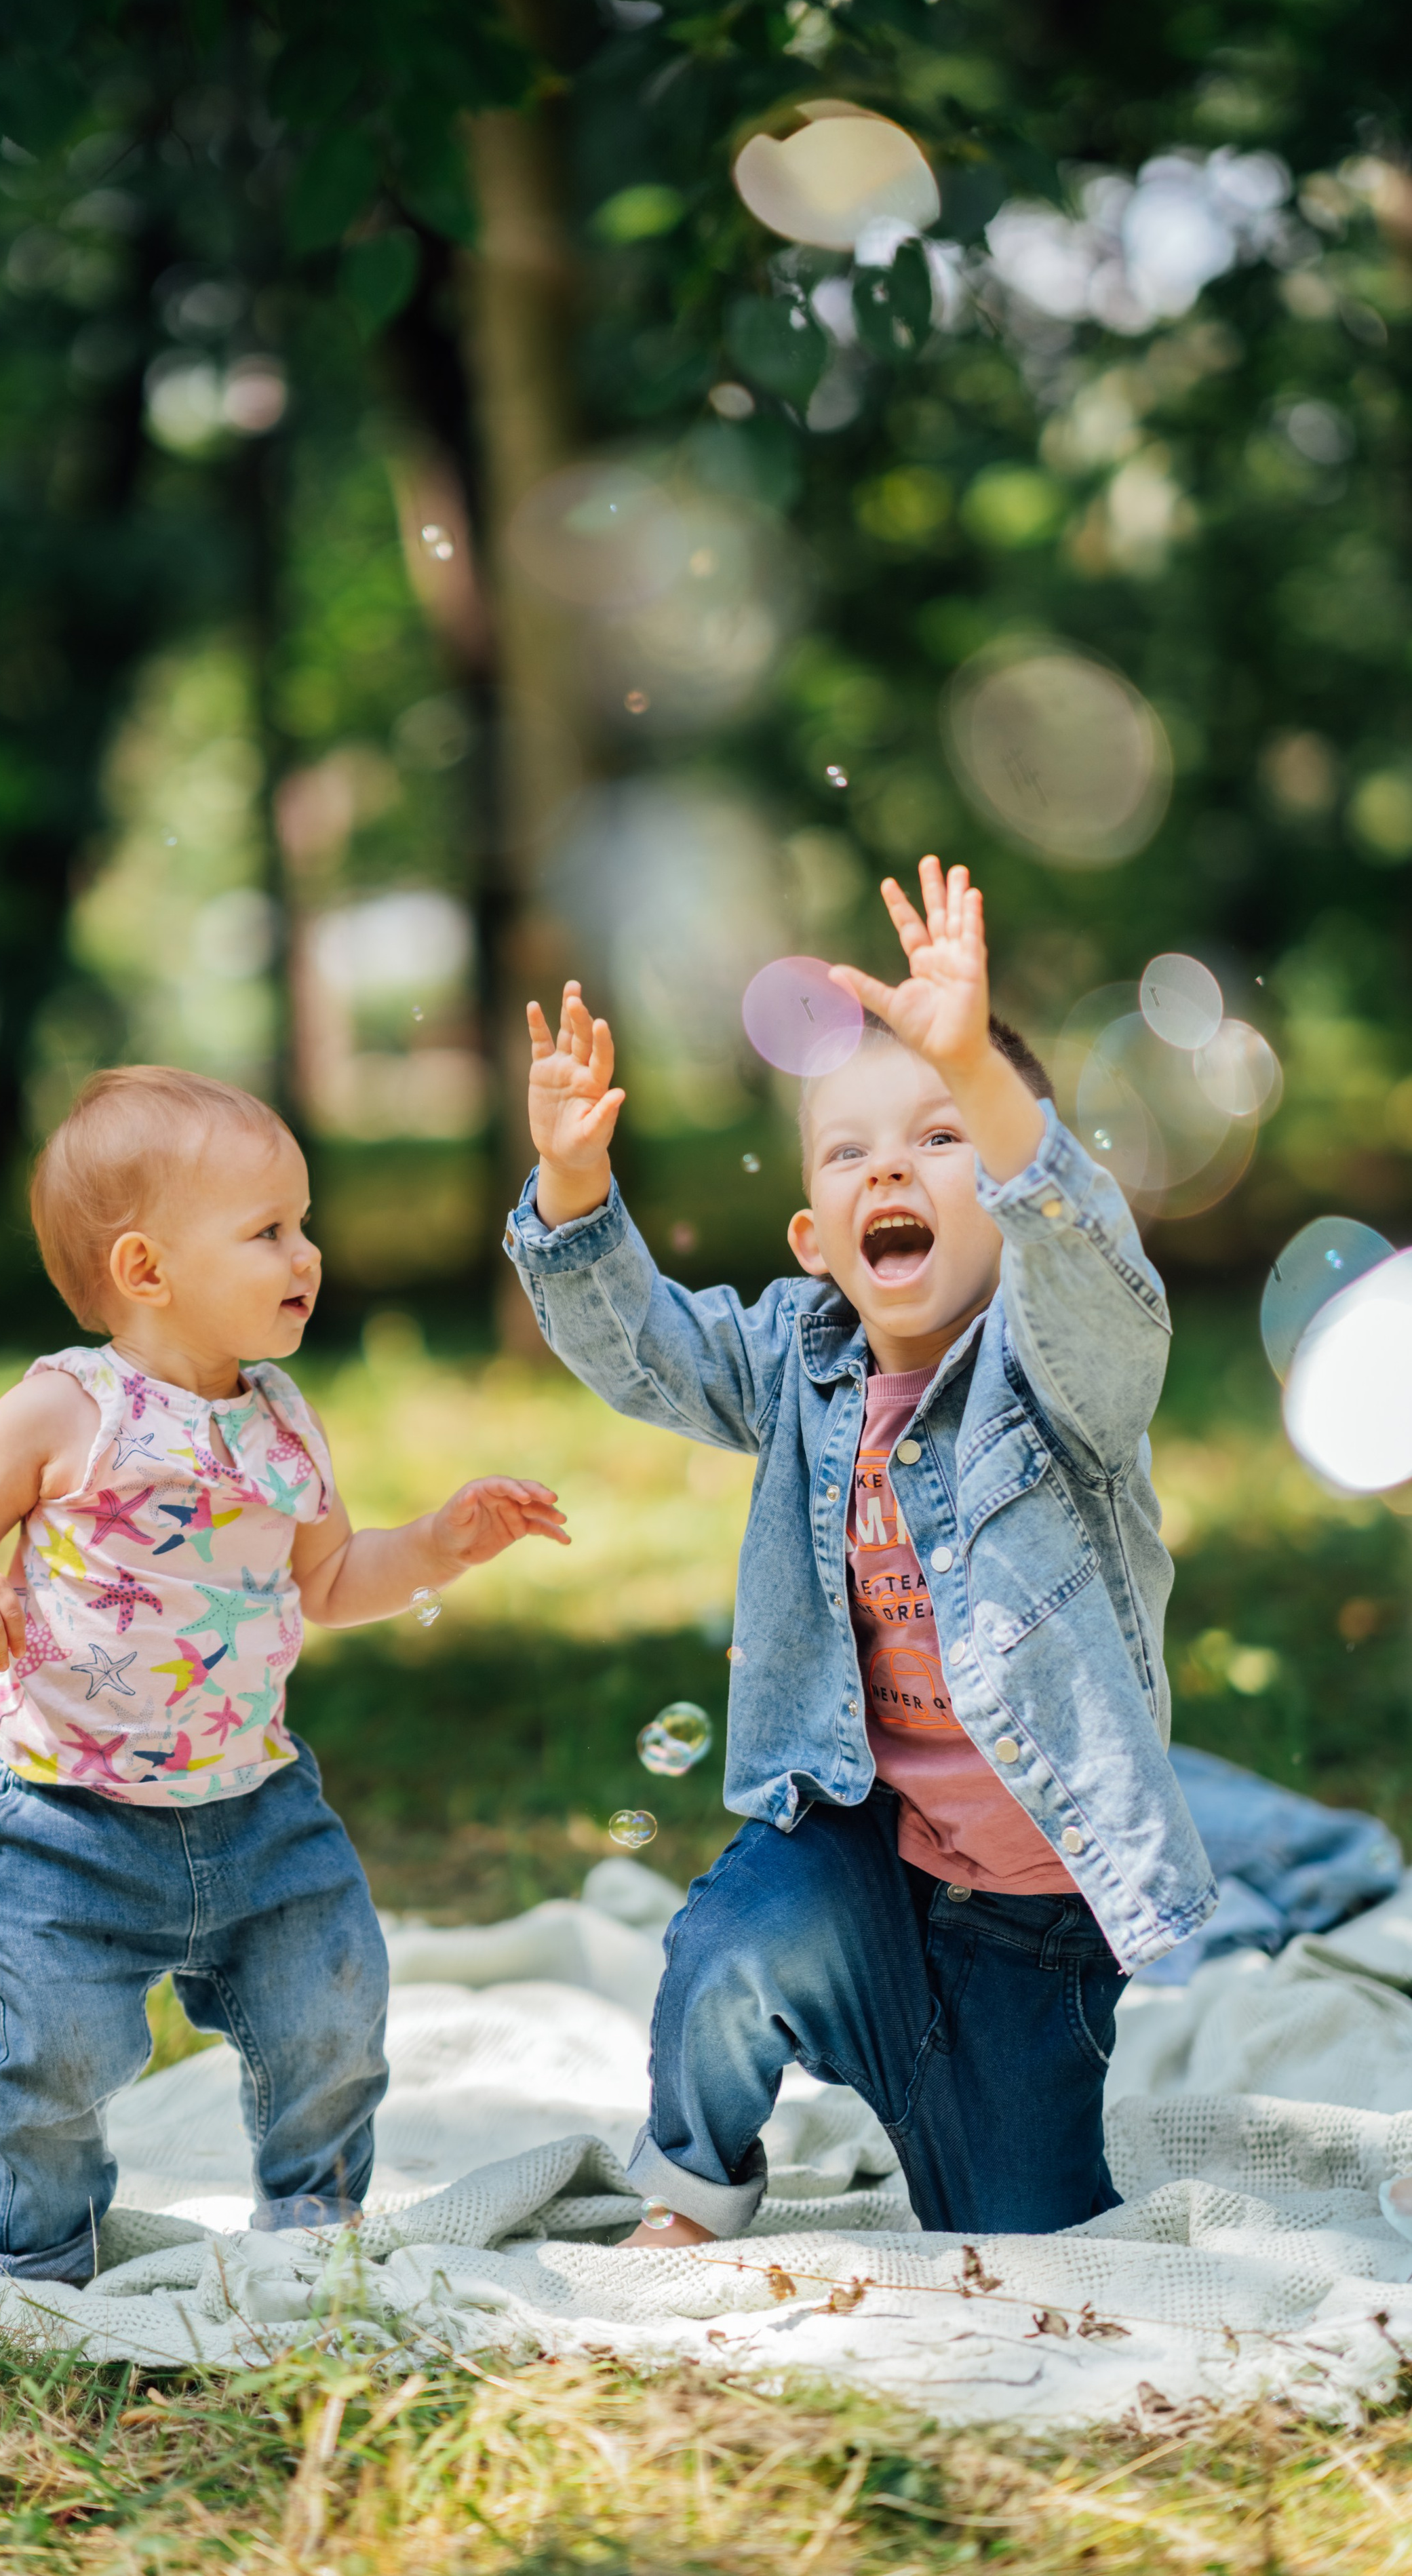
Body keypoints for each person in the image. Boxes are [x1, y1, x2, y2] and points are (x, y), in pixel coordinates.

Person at [507, 856, 1216, 2248]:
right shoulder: (796, 1357)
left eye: (942, 1135)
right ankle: (696, 2188)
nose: (890, 1162)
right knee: (728, 1941)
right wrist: (575, 1186)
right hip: (860, 1851)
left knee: (1012, 2229)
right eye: (848, 1151)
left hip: (1032, 1925)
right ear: (811, 1239)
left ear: (1008, 1196)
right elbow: (646, 1352)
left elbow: (1093, 1280)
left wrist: (982, 1070)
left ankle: (950, 2106)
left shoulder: (1057, 1379)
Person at [0, 1064, 568, 2284]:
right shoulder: (69, 1407)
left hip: (257, 1806)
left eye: (302, 1223)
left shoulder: (284, 1419)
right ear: (148, 1271)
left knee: (334, 2010)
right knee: (58, 2061)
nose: (305, 1253)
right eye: (268, 1230)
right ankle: (40, 2260)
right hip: (69, 1820)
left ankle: (312, 2228)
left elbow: (329, 1578)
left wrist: (439, 1545)